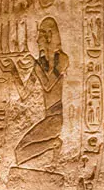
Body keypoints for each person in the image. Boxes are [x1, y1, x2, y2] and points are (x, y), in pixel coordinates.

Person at [5, 17, 68, 167]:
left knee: (20, 152)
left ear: (48, 36)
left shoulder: (62, 59)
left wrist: (35, 65)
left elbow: (48, 85)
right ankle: (53, 144)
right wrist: (12, 71)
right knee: (19, 153)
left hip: (56, 118)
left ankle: (54, 143)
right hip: (49, 118)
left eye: (40, 36)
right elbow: (24, 94)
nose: (37, 40)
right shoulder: (40, 63)